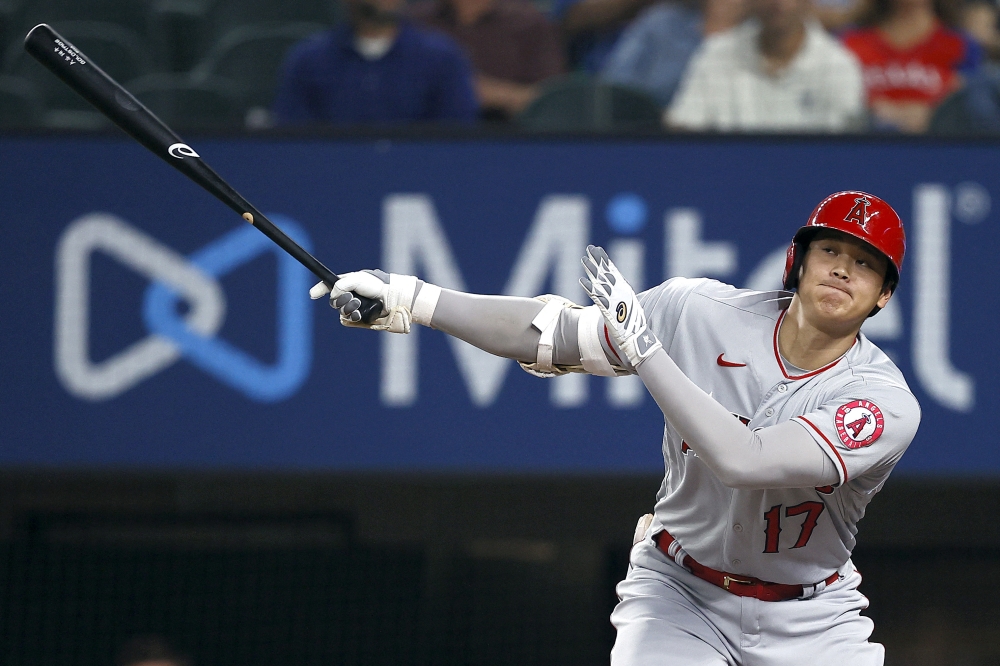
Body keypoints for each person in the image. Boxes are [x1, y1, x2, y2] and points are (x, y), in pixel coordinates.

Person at [312, 190, 920, 664]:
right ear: (799, 259)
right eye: (831, 251)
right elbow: (549, 335)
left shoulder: (881, 401)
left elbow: (747, 461)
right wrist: (412, 297)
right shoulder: (699, 310)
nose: (842, 270)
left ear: (883, 296)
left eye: (864, 265)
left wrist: (647, 351)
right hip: (681, 592)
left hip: (810, 619)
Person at [666, 0, 866, 131]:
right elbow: (683, 129)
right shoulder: (716, 54)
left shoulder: (839, 66)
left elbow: (842, 155)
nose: (779, 3)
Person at [272, 0, 478, 125]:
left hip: (416, 182)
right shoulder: (308, 60)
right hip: (331, 176)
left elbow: (456, 136)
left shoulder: (442, 58)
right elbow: (292, 136)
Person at [842, 0, 983, 133]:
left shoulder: (961, 44)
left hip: (939, 146)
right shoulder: (849, 42)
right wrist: (870, 112)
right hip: (863, 143)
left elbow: (971, 105)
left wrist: (932, 113)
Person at [408, 0, 566, 119]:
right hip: (428, 136)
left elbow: (553, 99)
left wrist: (494, 93)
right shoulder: (414, 21)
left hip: (511, 137)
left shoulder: (529, 23)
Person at [600, 0, 748, 106]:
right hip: (651, 136)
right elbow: (612, 91)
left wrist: (720, 35)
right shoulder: (661, 22)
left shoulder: (757, 33)